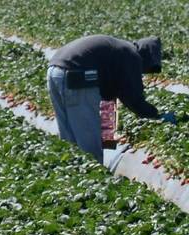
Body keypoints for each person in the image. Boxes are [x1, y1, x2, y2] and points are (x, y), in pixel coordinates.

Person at [48, 35, 175, 163]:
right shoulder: (131, 56)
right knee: (89, 139)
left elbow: (108, 99)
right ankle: (93, 173)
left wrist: (108, 139)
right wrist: (156, 117)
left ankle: (73, 170)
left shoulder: (116, 52)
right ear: (146, 57)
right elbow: (133, 99)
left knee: (69, 136)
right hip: (77, 74)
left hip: (54, 70)